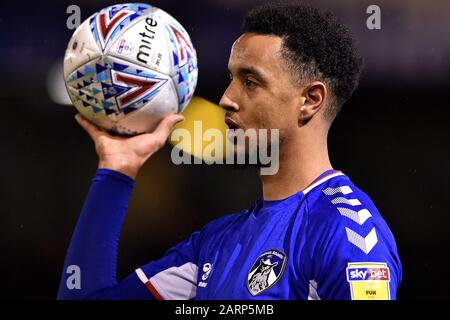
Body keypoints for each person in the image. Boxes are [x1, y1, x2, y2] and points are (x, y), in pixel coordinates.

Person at [58, 2, 402, 300]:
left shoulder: (347, 233)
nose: (226, 98)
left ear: (310, 100)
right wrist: (117, 170)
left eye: (250, 82)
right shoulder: (214, 245)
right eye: (231, 79)